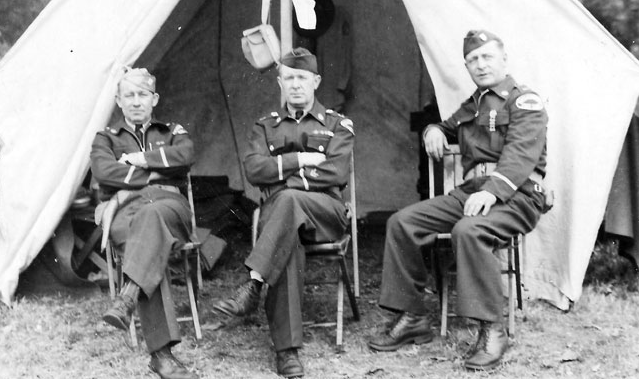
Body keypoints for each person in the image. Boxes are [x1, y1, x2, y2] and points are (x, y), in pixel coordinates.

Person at [367, 30, 548, 371]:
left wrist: (491, 192)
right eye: (472, 60)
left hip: (518, 197)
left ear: (503, 58)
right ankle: (412, 317)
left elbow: (521, 156)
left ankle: (492, 329)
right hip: (472, 193)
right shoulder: (473, 105)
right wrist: (432, 130)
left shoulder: (524, 101)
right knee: (403, 222)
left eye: (486, 57)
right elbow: (446, 126)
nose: (480, 65)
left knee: (469, 231)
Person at [213, 48, 355, 378]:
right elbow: (253, 170)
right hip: (284, 222)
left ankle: (253, 282)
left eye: (302, 78)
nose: (295, 85)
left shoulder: (338, 124)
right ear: (280, 82)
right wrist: (301, 161)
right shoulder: (265, 127)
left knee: (287, 200)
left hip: (327, 213)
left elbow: (336, 173)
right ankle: (287, 352)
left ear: (316, 81)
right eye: (289, 78)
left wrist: (283, 177)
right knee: (287, 240)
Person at [90, 67, 198, 379]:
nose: (136, 102)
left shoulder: (172, 132)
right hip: (127, 210)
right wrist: (158, 170)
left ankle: (128, 299)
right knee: (151, 238)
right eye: (129, 96)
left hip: (170, 206)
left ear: (154, 99)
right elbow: (103, 172)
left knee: (151, 225)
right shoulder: (105, 139)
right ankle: (161, 356)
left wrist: (138, 161)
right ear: (118, 101)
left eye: (142, 95)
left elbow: (186, 156)